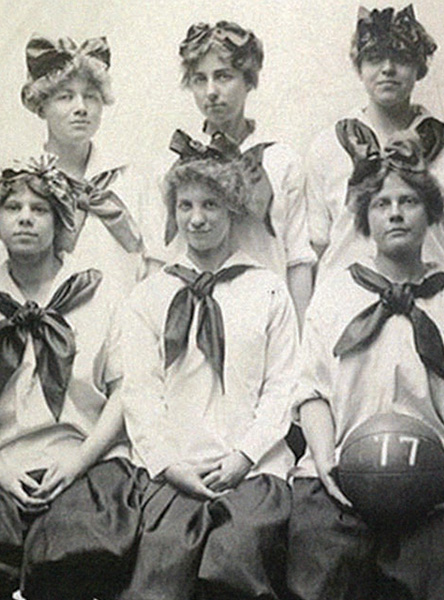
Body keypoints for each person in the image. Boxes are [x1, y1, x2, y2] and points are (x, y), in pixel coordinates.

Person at [0, 156, 139, 600]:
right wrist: (1, 473)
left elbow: (122, 394)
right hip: (4, 468)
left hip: (87, 465)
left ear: (60, 223)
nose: (25, 217)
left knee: (72, 556)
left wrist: (78, 463)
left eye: (39, 209)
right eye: (13, 208)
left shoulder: (101, 296)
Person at [288, 140, 444, 600]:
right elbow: (312, 392)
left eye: (409, 202)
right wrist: (324, 462)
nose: (395, 213)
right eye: (382, 204)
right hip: (342, 471)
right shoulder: (335, 296)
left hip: (433, 481)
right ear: (365, 220)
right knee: (324, 564)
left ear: (430, 214)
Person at [115, 131, 298, 600]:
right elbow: (139, 393)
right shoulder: (149, 296)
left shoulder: (267, 291)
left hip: (254, 471)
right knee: (163, 562)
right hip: (173, 472)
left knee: (235, 561)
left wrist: (244, 457)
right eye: (185, 206)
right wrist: (170, 465)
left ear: (233, 209)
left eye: (211, 205)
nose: (197, 219)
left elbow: (282, 389)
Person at [304, 4, 444, 306]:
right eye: (375, 58)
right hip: (347, 306)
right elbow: (316, 247)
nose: (388, 68)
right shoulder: (328, 146)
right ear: (359, 68)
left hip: (432, 303)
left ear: (419, 68)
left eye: (400, 58)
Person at [0, 35, 162, 300]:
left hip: (124, 332)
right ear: (42, 107)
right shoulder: (13, 187)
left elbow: (156, 274)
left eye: (91, 97)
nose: (81, 108)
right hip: (41, 335)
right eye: (65, 97)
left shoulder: (132, 181)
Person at [170, 20, 316, 317]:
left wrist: (300, 343)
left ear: (248, 80)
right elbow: (166, 259)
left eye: (223, 77)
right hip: (197, 315)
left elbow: (298, 260)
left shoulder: (280, 161)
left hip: (267, 317)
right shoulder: (178, 162)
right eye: (200, 79)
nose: (211, 91)